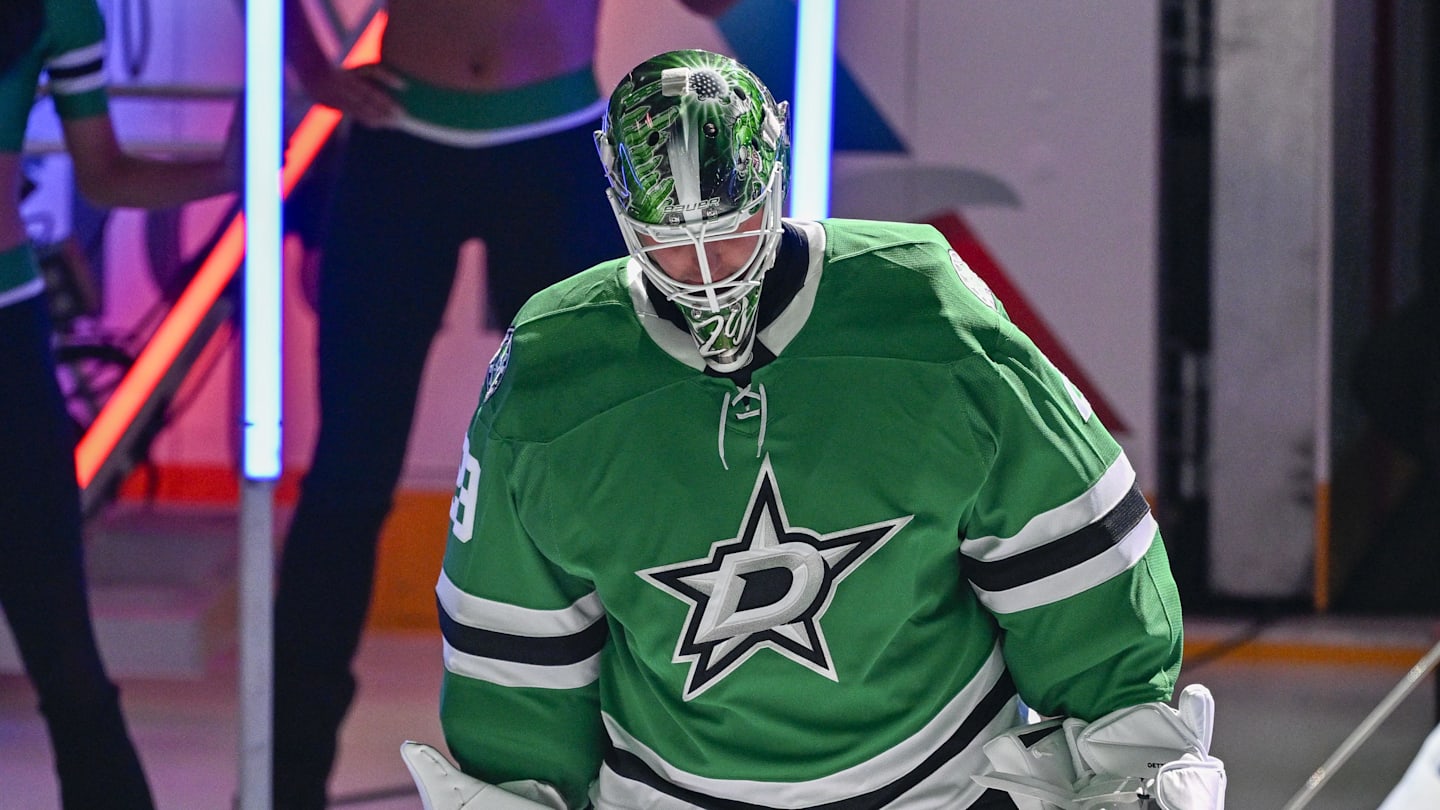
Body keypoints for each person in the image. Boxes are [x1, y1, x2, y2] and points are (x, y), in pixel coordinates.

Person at [407, 49, 1228, 809]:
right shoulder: (551, 379)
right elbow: (515, 661)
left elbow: (1071, 552)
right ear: (624, 213)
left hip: (939, 784)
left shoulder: (925, 316)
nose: (706, 270)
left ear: (773, 183)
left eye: (727, 233)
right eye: (672, 241)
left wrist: (1126, 743)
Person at [274, 3, 739, 807]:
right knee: (347, 480)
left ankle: (630, 764)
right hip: (404, 134)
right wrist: (313, 71)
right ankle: (284, 775)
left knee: (601, 473)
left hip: (554, 138)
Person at [0, 1, 238, 807]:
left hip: (7, 323)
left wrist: (236, 170)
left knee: (61, 641)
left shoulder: (58, 12)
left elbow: (105, 172)